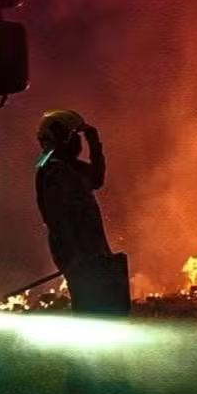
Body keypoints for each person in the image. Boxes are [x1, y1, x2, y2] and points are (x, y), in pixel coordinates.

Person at [35, 109, 114, 311]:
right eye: (75, 137)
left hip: (87, 251)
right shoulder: (55, 172)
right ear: (63, 138)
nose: (78, 143)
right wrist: (74, 258)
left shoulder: (66, 167)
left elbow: (96, 179)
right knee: (93, 310)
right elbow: (58, 221)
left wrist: (94, 143)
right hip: (80, 252)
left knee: (100, 308)